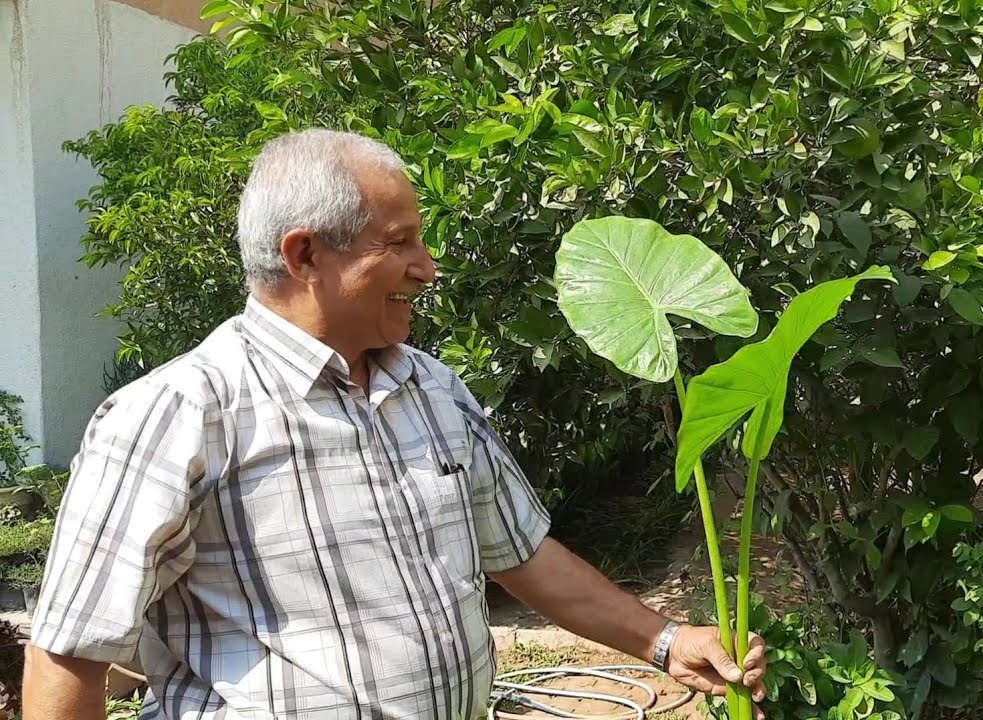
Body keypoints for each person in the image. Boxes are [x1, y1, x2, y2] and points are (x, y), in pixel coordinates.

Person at [22, 129, 766, 720]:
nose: (428, 266)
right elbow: (68, 654)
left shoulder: (432, 386)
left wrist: (665, 641)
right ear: (305, 254)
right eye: (399, 241)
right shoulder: (180, 413)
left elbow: (521, 553)